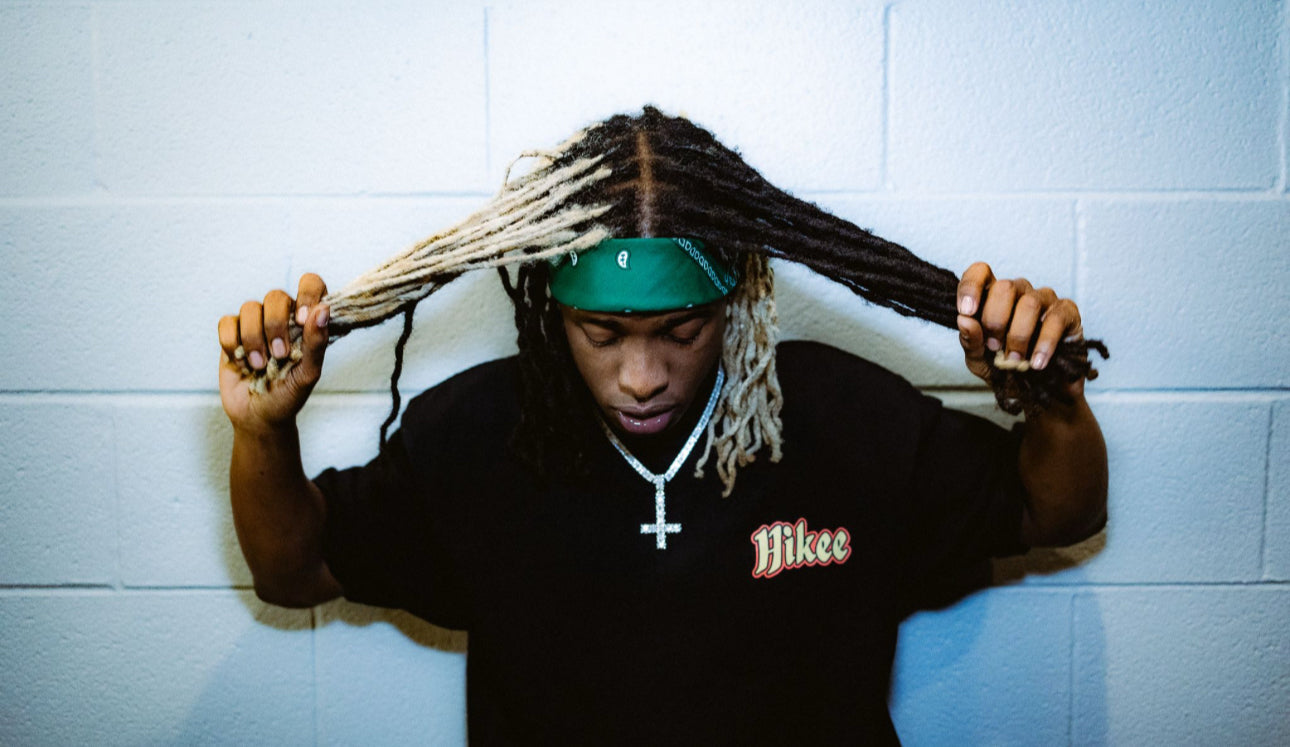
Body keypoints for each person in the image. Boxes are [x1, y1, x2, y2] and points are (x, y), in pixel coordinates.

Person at [218, 110, 1106, 744]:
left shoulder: (849, 418)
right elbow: (293, 570)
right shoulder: (477, 434)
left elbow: (1057, 510)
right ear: (550, 310)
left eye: (682, 330)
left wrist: (1054, 400)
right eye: (602, 333)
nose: (641, 376)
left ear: (740, 298)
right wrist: (263, 431)